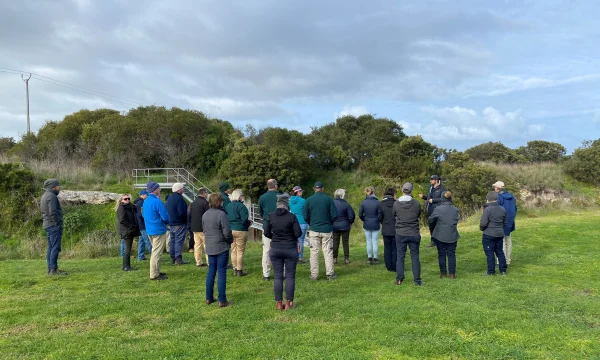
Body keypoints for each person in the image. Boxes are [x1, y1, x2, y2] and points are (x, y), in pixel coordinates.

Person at [264, 194, 302, 310]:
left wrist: (274, 237)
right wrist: (291, 237)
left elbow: (266, 232)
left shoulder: (271, 216)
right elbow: (298, 233)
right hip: (290, 248)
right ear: (287, 204)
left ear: (277, 204)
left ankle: (279, 304)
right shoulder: (292, 216)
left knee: (277, 276)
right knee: (290, 276)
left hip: (275, 248)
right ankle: (289, 303)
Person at [203, 193, 234, 308]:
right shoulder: (222, 214)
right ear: (219, 202)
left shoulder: (205, 215)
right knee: (221, 272)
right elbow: (227, 231)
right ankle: (222, 300)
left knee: (211, 271)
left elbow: (204, 229)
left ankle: (209, 297)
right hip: (221, 246)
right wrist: (230, 240)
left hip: (210, 246)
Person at [304, 181, 338, 281]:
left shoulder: (309, 200)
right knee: (327, 251)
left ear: (314, 189)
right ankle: (330, 274)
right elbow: (334, 214)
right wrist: (329, 223)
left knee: (314, 252)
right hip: (326, 229)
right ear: (322, 189)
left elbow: (305, 216)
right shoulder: (328, 199)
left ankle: (314, 275)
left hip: (314, 229)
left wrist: (311, 223)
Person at [393, 182, 423, 286]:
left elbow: (394, 215)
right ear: (411, 191)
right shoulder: (416, 203)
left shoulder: (396, 203)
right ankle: (417, 280)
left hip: (401, 233)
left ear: (402, 190)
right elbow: (418, 215)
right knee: (415, 256)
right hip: (413, 232)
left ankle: (399, 279)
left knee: (400, 256)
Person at [428, 191, 460, 278]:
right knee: (451, 254)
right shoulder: (455, 209)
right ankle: (452, 274)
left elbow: (431, 220)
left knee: (441, 254)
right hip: (452, 234)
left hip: (440, 235)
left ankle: (443, 273)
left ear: (442, 198)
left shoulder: (438, 209)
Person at [143, 181, 170, 280]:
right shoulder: (157, 201)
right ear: (155, 190)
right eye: (159, 188)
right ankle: (154, 274)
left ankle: (156, 271)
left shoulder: (146, 201)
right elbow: (165, 216)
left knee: (155, 252)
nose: (160, 189)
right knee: (156, 253)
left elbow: (144, 215)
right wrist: (167, 222)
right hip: (158, 230)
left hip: (150, 229)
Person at [40, 178, 66, 276]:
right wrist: (57, 223)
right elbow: (53, 212)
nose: (59, 188)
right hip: (53, 225)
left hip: (47, 224)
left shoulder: (44, 196)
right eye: (58, 186)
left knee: (51, 247)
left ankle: (51, 268)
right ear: (53, 187)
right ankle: (53, 270)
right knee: (55, 247)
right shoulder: (52, 196)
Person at [480, 191, 508, 276]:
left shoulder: (487, 209)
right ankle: (503, 270)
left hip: (489, 234)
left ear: (488, 199)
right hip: (499, 233)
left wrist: (482, 229)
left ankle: (491, 271)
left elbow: (483, 223)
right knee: (500, 252)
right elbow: (505, 222)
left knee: (490, 253)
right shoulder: (502, 209)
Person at [258, 179, 280, 281]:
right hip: (280, 226)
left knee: (266, 250)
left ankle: (266, 274)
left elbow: (260, 212)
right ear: (275, 185)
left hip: (267, 226)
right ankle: (280, 272)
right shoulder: (281, 196)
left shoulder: (262, 197)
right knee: (280, 250)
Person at [226, 189, 250, 276]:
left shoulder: (228, 206)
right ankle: (239, 270)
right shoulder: (241, 206)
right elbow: (244, 219)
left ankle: (234, 268)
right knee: (240, 251)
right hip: (240, 230)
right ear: (239, 196)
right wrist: (249, 223)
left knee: (233, 250)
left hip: (231, 230)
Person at [419, 175, 447, 248]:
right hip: (430, 211)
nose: (430, 181)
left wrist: (434, 200)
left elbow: (443, 199)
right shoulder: (431, 188)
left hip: (439, 211)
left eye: (432, 180)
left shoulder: (442, 188)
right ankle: (433, 242)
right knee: (432, 227)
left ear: (436, 180)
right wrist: (423, 197)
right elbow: (429, 198)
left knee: (439, 227)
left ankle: (442, 241)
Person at [494, 181, 517, 265]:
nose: (494, 188)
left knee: (501, 241)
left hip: (501, 222)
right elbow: (515, 209)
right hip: (510, 221)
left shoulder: (498, 197)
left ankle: (501, 261)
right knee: (508, 241)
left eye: (495, 187)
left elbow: (497, 210)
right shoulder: (512, 197)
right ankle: (507, 260)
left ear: (497, 188)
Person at [116, 193, 140, 271]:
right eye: (125, 199)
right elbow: (122, 220)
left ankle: (126, 266)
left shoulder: (130, 207)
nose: (127, 200)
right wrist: (131, 226)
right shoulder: (122, 208)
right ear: (121, 200)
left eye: (128, 198)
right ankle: (126, 266)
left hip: (129, 230)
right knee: (128, 248)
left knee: (128, 248)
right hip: (127, 230)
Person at [166, 183, 188, 265]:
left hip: (171, 223)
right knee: (178, 241)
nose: (183, 189)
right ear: (179, 189)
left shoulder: (170, 198)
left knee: (173, 241)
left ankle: (173, 257)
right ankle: (178, 258)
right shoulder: (179, 199)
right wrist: (185, 219)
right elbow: (182, 212)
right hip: (179, 222)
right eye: (182, 188)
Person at [359, 186, 382, 265]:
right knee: (375, 242)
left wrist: (364, 220)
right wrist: (378, 220)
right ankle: (375, 258)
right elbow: (380, 215)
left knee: (368, 242)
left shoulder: (363, 202)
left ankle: (369, 258)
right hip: (375, 223)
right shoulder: (378, 202)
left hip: (367, 223)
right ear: (373, 192)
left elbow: (360, 214)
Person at [332, 188, 355, 265]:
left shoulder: (332, 203)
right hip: (345, 225)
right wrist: (350, 223)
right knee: (345, 242)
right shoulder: (346, 204)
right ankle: (346, 258)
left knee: (335, 242)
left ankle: (334, 258)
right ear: (342, 195)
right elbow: (351, 216)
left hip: (334, 225)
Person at [190, 187, 210, 267]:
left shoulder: (193, 203)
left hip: (194, 227)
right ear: (204, 193)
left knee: (197, 245)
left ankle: (198, 262)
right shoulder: (205, 203)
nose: (207, 194)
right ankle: (209, 261)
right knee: (207, 244)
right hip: (203, 228)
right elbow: (208, 215)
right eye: (206, 193)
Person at [379, 187, 397, 272]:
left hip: (386, 228)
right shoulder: (397, 203)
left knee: (387, 248)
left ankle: (388, 266)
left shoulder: (381, 204)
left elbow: (379, 217)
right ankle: (394, 265)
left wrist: (384, 223)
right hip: (395, 228)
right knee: (395, 248)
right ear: (393, 194)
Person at [289, 186, 308, 264]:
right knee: (301, 240)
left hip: (293, 222)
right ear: (299, 192)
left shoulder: (289, 201)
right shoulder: (303, 201)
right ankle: (300, 257)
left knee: (293, 240)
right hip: (302, 222)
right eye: (301, 191)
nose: (302, 193)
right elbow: (306, 211)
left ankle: (293, 256)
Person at [134, 190, 152, 261]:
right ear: (143, 195)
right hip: (143, 225)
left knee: (141, 241)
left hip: (139, 225)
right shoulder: (142, 203)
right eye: (147, 195)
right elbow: (141, 215)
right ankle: (154, 255)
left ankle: (140, 256)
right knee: (148, 240)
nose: (147, 196)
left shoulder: (137, 203)